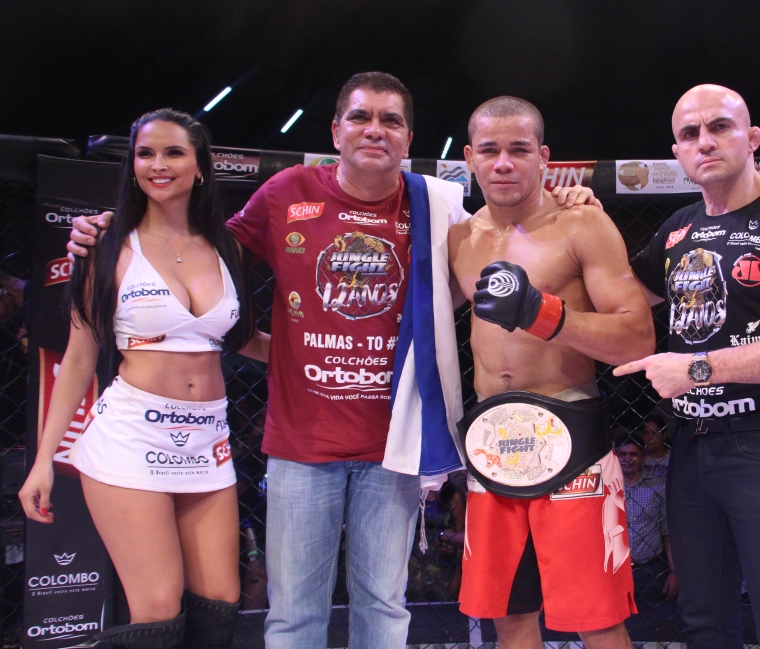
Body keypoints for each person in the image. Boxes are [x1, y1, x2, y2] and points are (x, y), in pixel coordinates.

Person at [67, 74, 598, 649]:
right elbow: (202, 262)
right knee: (294, 615)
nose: (375, 130)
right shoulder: (287, 192)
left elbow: (505, 226)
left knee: (384, 610)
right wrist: (118, 234)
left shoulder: (437, 204)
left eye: (391, 120)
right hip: (302, 443)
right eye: (361, 117)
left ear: (408, 137)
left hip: (394, 442)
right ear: (336, 131)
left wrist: (568, 200)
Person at [19, 109, 265, 648]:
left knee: (219, 604)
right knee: (156, 609)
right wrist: (43, 460)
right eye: (145, 153)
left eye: (173, 152)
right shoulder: (106, 244)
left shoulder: (225, 247)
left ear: (200, 166)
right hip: (133, 437)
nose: (158, 164)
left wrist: (334, 352)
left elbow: (243, 338)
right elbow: (78, 358)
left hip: (206, 441)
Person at [614, 84, 760, 649]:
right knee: (704, 624)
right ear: (677, 151)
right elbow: (618, 304)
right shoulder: (678, 227)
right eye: (690, 133)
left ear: (752, 137)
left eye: (720, 126)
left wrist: (698, 369)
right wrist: (577, 222)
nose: (705, 141)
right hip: (693, 448)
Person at [449, 96, 655, 648]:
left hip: (573, 441)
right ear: (469, 158)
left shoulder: (582, 224)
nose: (503, 163)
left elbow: (637, 337)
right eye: (489, 150)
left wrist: (543, 313)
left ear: (544, 158)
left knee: (596, 617)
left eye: (519, 149)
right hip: (491, 443)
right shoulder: (458, 239)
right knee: (509, 615)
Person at [615, 435, 676, 604]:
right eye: (623, 454)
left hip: (650, 570)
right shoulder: (605, 487)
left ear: (644, 458)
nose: (628, 459)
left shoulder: (659, 486)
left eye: (633, 454)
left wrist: (674, 572)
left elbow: (668, 534)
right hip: (613, 571)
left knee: (652, 615)